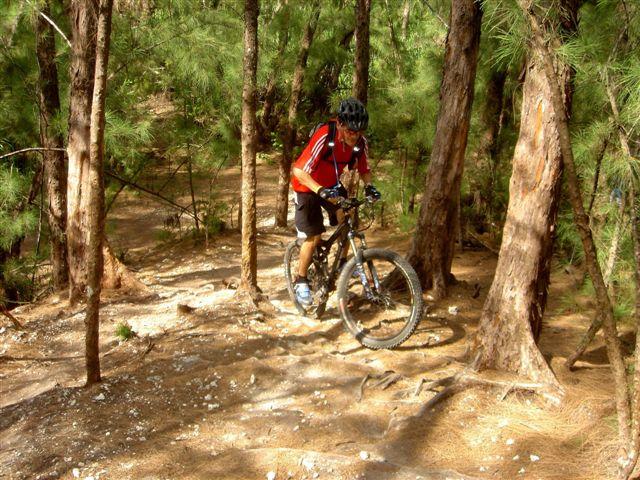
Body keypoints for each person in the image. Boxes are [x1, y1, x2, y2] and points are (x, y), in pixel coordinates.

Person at [290, 98, 381, 307]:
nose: (354, 135)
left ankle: (342, 265)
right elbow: (299, 171)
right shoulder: (325, 136)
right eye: (350, 130)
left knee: (348, 221)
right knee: (313, 236)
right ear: (340, 123)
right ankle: (301, 280)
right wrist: (320, 190)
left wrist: (369, 187)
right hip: (307, 185)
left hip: (331, 184)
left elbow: (364, 169)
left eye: (359, 131)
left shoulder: (360, 142)